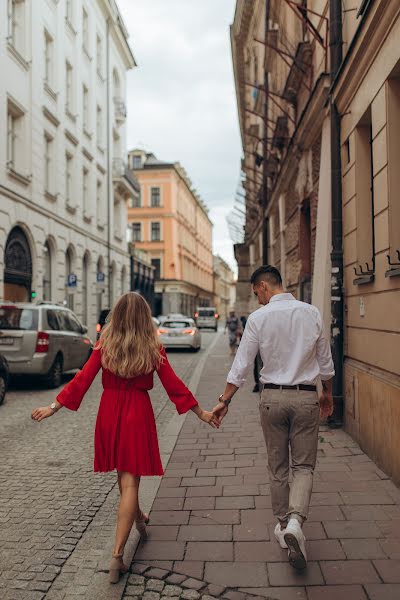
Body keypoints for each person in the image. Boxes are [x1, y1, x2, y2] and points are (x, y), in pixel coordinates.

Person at [31, 292, 219, 584]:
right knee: (129, 480)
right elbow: (173, 384)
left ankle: (133, 531)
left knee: (125, 478)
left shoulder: (106, 343)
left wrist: (54, 406)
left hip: (110, 411)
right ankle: (119, 552)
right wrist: (201, 412)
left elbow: (83, 378)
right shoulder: (152, 345)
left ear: (115, 316)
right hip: (137, 411)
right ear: (145, 318)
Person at [212, 265, 334, 571]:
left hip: (271, 398)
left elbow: (242, 365)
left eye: (256, 293)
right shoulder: (311, 312)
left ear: (264, 286)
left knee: (277, 465)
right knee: (304, 465)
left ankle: (283, 526)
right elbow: (326, 362)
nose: (257, 300)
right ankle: (296, 522)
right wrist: (327, 393)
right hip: (306, 397)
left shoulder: (258, 319)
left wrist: (224, 401)